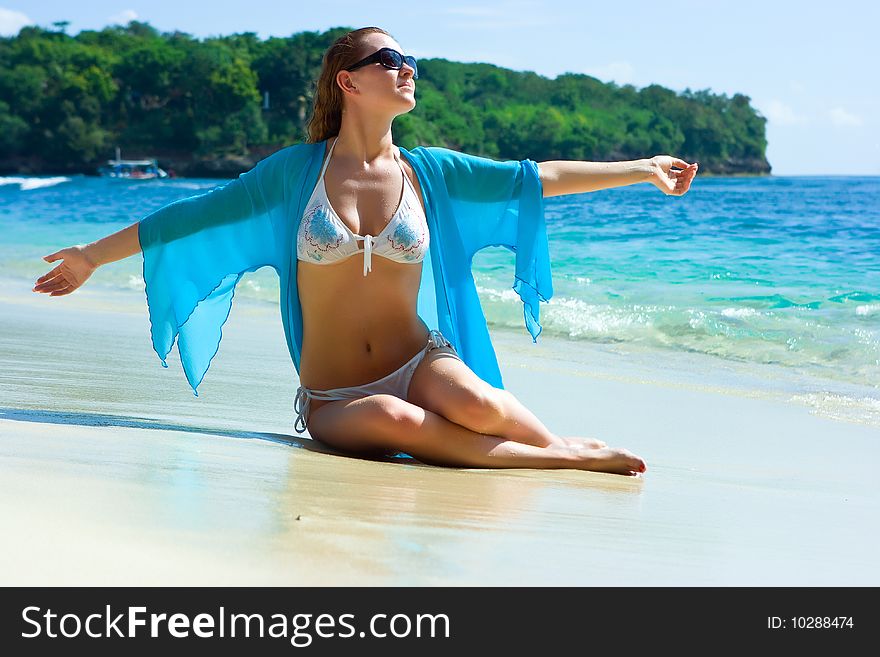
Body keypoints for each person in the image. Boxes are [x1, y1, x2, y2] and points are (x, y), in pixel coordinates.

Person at [32, 27, 697, 476]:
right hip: (337, 394)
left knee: (482, 405)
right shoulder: (295, 175)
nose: (407, 69)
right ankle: (566, 458)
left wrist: (641, 167)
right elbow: (191, 215)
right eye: (389, 61)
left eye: (411, 63)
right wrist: (91, 255)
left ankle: (556, 442)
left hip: (419, 357)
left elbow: (534, 178)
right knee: (390, 417)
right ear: (348, 83)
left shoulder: (427, 172)